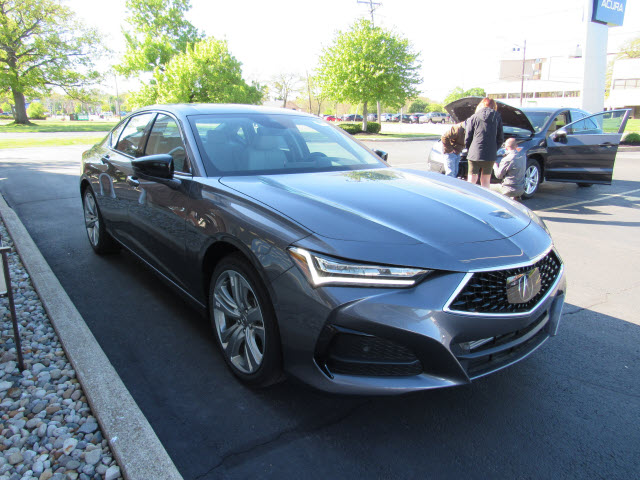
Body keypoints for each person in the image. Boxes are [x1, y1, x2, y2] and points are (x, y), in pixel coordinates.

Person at [465, 97, 504, 189]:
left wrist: (469, 149)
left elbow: (468, 137)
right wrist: (494, 148)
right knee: (486, 180)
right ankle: (484, 200)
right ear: (493, 106)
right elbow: (500, 138)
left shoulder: (473, 117)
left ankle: (469, 198)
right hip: (490, 154)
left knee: (471, 178)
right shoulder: (497, 117)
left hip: (474, 153)